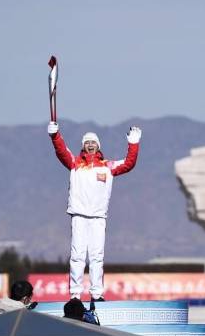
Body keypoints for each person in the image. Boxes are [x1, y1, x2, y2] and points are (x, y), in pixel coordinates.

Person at [48, 122, 141, 301]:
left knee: (97, 257)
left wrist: (134, 144)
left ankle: (96, 294)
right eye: (87, 142)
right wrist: (55, 135)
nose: (90, 145)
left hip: (98, 217)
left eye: (93, 142)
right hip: (79, 215)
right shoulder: (74, 164)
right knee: (77, 256)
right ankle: (75, 294)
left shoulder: (108, 166)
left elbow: (129, 164)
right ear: (83, 146)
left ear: (98, 146)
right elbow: (61, 151)